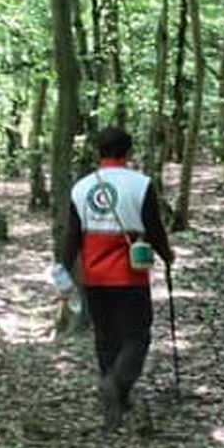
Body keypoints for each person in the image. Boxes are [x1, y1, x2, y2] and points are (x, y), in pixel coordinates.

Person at [59, 126, 175, 430]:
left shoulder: (81, 187)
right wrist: (167, 255)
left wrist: (63, 268)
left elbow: (72, 234)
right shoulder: (141, 184)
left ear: (98, 152)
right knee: (137, 335)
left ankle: (115, 395)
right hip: (130, 274)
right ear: (129, 152)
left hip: (94, 275)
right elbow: (154, 226)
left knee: (105, 334)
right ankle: (117, 383)